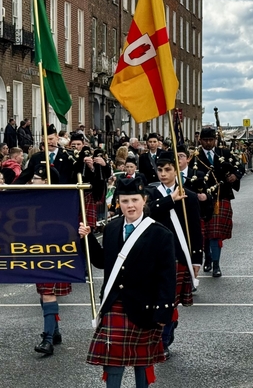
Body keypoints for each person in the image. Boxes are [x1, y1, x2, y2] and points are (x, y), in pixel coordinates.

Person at [78, 177, 176, 387]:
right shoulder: (112, 228)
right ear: (118, 202)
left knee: (143, 363)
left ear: (144, 200)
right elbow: (102, 262)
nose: (130, 205)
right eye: (124, 201)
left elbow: (167, 277)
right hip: (114, 303)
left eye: (134, 200)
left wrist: (163, 313)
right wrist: (88, 238)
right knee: (113, 362)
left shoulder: (160, 234)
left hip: (145, 306)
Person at [146, 151, 203, 359]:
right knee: (156, 299)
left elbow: (195, 230)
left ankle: (164, 340)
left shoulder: (189, 196)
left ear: (176, 171)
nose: (163, 174)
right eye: (160, 170)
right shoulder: (150, 193)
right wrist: (170, 199)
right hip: (153, 255)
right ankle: (162, 335)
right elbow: (146, 212)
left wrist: (196, 260)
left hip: (178, 254)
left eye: (168, 169)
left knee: (170, 300)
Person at [192, 128, 244, 277]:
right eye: (205, 140)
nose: (208, 143)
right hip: (202, 199)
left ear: (215, 140)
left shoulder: (224, 153)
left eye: (211, 140)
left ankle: (216, 264)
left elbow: (240, 166)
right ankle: (207, 257)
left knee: (216, 233)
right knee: (204, 233)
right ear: (200, 140)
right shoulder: (195, 157)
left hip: (221, 197)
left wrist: (235, 176)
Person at [29, 164, 68, 356]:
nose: (32, 181)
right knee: (44, 292)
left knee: (48, 292)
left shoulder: (60, 200)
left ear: (46, 181)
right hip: (37, 250)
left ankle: (48, 339)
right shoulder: (31, 198)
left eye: (36, 178)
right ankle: (55, 331)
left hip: (55, 251)